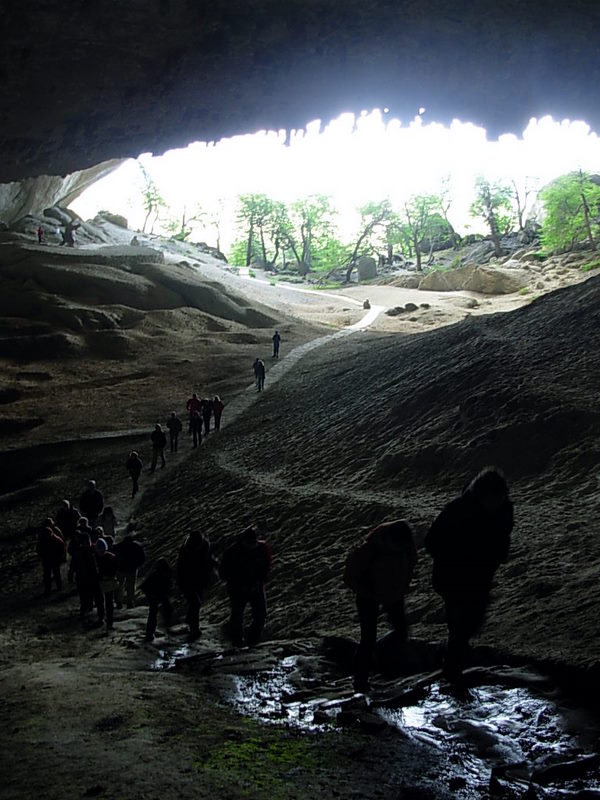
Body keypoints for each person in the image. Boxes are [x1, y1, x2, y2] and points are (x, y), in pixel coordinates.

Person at [424, 466, 513, 682]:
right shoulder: (457, 510)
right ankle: (453, 670)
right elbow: (431, 542)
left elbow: (503, 536)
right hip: (454, 578)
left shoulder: (503, 509)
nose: (496, 504)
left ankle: (451, 664)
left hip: (479, 578)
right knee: (460, 624)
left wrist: (495, 555)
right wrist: (459, 555)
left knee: (470, 622)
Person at [343, 520, 417, 693]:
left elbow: (411, 564)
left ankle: (378, 657)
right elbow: (349, 576)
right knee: (367, 639)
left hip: (393, 593)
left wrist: (402, 587)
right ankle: (360, 681)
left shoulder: (406, 547)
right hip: (369, 596)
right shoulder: (370, 549)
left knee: (401, 632)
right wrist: (368, 592)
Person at [219, 526, 273, 647]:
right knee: (237, 615)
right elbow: (225, 572)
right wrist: (238, 585)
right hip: (238, 588)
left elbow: (267, 566)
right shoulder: (233, 552)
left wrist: (260, 582)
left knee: (260, 614)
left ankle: (253, 640)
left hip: (256, 586)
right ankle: (237, 640)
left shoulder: (262, 549)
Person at [176, 532, 216, 640]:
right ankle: (194, 628)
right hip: (188, 580)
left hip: (199, 580)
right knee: (196, 603)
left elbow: (208, 560)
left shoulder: (204, 548)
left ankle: (190, 622)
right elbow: (180, 568)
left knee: (195, 603)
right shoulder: (186, 549)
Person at [140, 558, 173, 642]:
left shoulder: (155, 574)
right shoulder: (167, 574)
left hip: (155, 595)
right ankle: (167, 627)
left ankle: (150, 633)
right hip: (158, 595)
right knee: (165, 610)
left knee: (153, 613)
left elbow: (144, 586)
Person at [114, 532, 146, 609]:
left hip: (120, 569)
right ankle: (129, 602)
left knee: (120, 586)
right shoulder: (137, 546)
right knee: (131, 587)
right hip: (132, 569)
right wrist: (137, 565)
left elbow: (114, 557)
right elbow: (142, 557)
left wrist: (116, 566)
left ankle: (119, 602)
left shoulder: (118, 546)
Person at [95, 538, 118, 631]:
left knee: (109, 602)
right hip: (98, 581)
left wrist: (109, 575)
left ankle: (110, 622)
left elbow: (116, 568)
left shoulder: (111, 557)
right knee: (99, 601)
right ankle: (101, 617)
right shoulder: (95, 557)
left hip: (108, 581)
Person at [36, 525, 66, 595]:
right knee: (47, 575)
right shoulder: (46, 540)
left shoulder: (56, 540)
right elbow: (39, 549)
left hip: (53, 559)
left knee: (56, 574)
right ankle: (48, 589)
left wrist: (59, 557)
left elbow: (61, 548)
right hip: (47, 560)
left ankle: (58, 587)